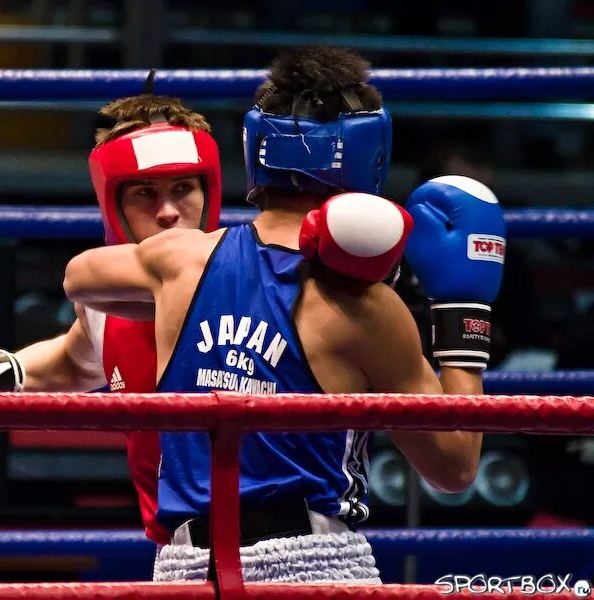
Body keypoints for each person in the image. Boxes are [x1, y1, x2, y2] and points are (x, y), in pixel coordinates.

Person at [63, 46, 506, 583]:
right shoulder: (368, 308)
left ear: (257, 150)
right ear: (371, 155)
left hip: (184, 569)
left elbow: (79, 276)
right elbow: (453, 467)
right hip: (311, 565)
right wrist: (465, 312)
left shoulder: (177, 259)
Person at [0, 92, 222, 545]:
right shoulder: (103, 304)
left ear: (208, 192)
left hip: (289, 539)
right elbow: (76, 363)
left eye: (182, 189)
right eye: (145, 194)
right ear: (112, 205)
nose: (169, 211)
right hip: (181, 551)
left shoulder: (257, 280)